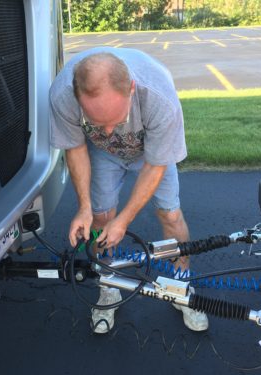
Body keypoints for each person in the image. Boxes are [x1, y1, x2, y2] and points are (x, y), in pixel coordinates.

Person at [49, 47, 208, 333]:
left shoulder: (160, 98)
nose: (109, 131)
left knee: (170, 214)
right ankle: (108, 284)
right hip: (101, 155)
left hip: (150, 153)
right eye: (97, 122)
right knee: (99, 218)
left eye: (116, 120)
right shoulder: (62, 95)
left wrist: (124, 220)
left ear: (132, 89)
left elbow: (157, 166)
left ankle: (180, 283)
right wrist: (84, 207)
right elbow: (75, 147)